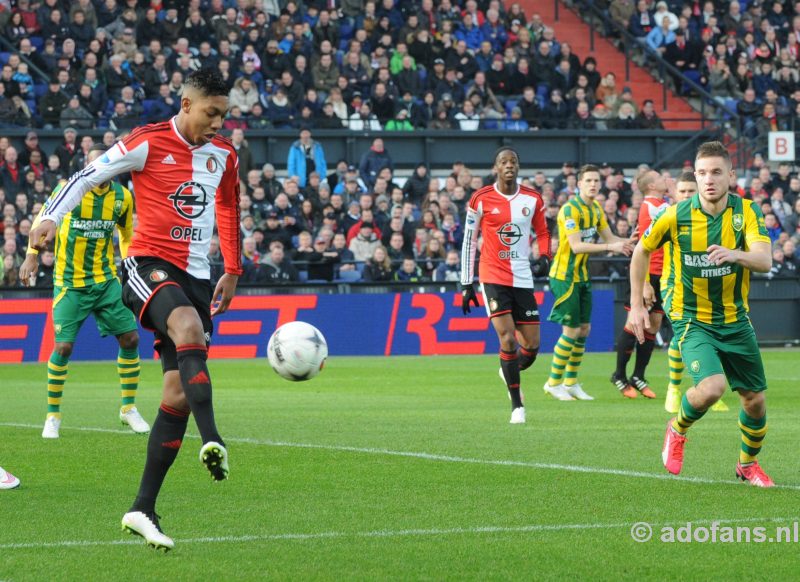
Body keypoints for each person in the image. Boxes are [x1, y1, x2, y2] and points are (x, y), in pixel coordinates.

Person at [29, 70, 243, 548]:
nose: (218, 123)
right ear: (186, 105)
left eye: (224, 115)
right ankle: (214, 439)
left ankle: (142, 509)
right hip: (145, 263)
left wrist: (232, 269)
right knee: (186, 326)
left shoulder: (224, 155)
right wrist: (49, 217)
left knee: (177, 393)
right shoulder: (146, 141)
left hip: (197, 276)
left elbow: (229, 208)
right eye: (212, 113)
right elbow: (88, 176)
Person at [630, 141, 773, 486]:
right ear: (695, 175)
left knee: (755, 402)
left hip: (735, 318)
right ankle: (677, 429)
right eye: (703, 172)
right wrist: (636, 303)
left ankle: (746, 465)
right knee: (711, 388)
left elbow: (765, 260)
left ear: (731, 176)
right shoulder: (674, 215)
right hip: (690, 315)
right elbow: (641, 251)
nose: (709, 179)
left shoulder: (747, 212)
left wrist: (735, 254)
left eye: (716, 172)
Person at [20, 144, 148, 439]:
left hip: (105, 280)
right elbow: (42, 220)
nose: (100, 169)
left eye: (105, 164)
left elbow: (126, 233)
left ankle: (128, 408)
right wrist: (31, 254)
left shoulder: (122, 197)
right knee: (63, 347)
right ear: (86, 166)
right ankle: (53, 415)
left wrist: (128, 265)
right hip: (69, 282)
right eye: (94, 164)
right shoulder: (68, 189)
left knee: (130, 338)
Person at [460, 147, 551, 424]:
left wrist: (545, 256)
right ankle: (517, 407)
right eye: (503, 162)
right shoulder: (480, 198)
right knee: (508, 339)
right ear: (495, 168)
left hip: (522, 277)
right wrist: (467, 283)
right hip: (492, 276)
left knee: (532, 347)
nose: (509, 165)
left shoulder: (532, 198)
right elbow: (468, 240)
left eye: (513, 161)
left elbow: (543, 232)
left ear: (518, 167)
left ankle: (507, 368)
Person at [544, 164, 634, 401]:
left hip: (582, 276)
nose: (593, 184)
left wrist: (632, 240)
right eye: (589, 181)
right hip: (564, 277)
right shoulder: (569, 210)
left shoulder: (595, 209)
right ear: (579, 184)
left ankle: (571, 382)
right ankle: (553, 383)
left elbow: (611, 238)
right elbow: (577, 246)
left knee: (584, 329)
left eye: (596, 180)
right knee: (571, 330)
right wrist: (610, 246)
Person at [662, 172, 728, 414]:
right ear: (675, 194)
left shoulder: (713, 216)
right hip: (675, 287)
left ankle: (707, 386)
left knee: (712, 335)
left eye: (692, 190)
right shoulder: (669, 217)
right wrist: (646, 285)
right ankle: (674, 387)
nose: (688, 195)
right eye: (683, 191)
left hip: (709, 287)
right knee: (684, 336)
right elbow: (646, 251)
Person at [611, 169, 669, 399]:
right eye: (661, 178)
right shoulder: (650, 207)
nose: (666, 179)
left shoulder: (660, 204)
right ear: (653, 186)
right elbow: (642, 248)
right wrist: (645, 283)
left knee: (653, 326)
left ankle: (638, 375)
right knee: (634, 324)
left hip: (662, 273)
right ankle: (619, 375)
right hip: (648, 273)